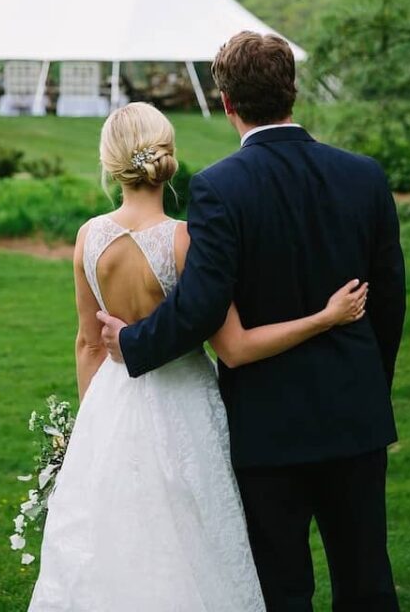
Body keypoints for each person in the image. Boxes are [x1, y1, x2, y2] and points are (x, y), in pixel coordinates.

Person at [99, 32, 406, 612]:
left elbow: (201, 307)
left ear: (226, 103)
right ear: (293, 91)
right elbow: (389, 304)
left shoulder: (220, 187)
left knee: (283, 590)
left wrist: (131, 341)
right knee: (367, 584)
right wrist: (370, 387)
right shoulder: (364, 176)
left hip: (269, 427)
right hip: (355, 417)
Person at [27, 100, 368, 612]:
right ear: (168, 157)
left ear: (109, 161)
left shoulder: (88, 237)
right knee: (195, 534)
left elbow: (88, 343)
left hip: (112, 405)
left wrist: (93, 433)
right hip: (185, 403)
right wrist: (325, 317)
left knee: (114, 542)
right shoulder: (185, 241)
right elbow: (233, 344)